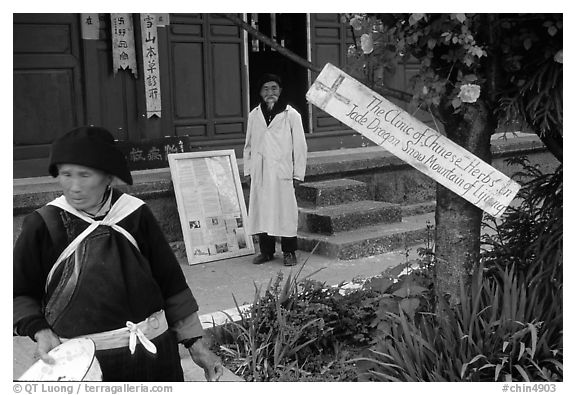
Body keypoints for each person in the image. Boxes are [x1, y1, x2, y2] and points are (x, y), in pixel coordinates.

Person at [13, 126, 224, 382]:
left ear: (109, 178)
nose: (74, 186)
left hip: (154, 353)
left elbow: (171, 283)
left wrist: (197, 345)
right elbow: (18, 292)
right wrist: (40, 331)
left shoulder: (135, 215)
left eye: (85, 175)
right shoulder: (45, 224)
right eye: (66, 174)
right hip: (85, 366)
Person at [243, 73, 308, 266]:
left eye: (273, 88)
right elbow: (248, 145)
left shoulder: (291, 115)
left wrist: (298, 173)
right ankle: (266, 251)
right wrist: (248, 171)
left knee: (285, 213)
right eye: (266, 89)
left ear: (279, 91)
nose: (270, 92)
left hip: (282, 171)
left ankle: (289, 252)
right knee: (262, 211)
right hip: (260, 171)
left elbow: (300, 146)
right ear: (260, 92)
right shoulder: (254, 115)